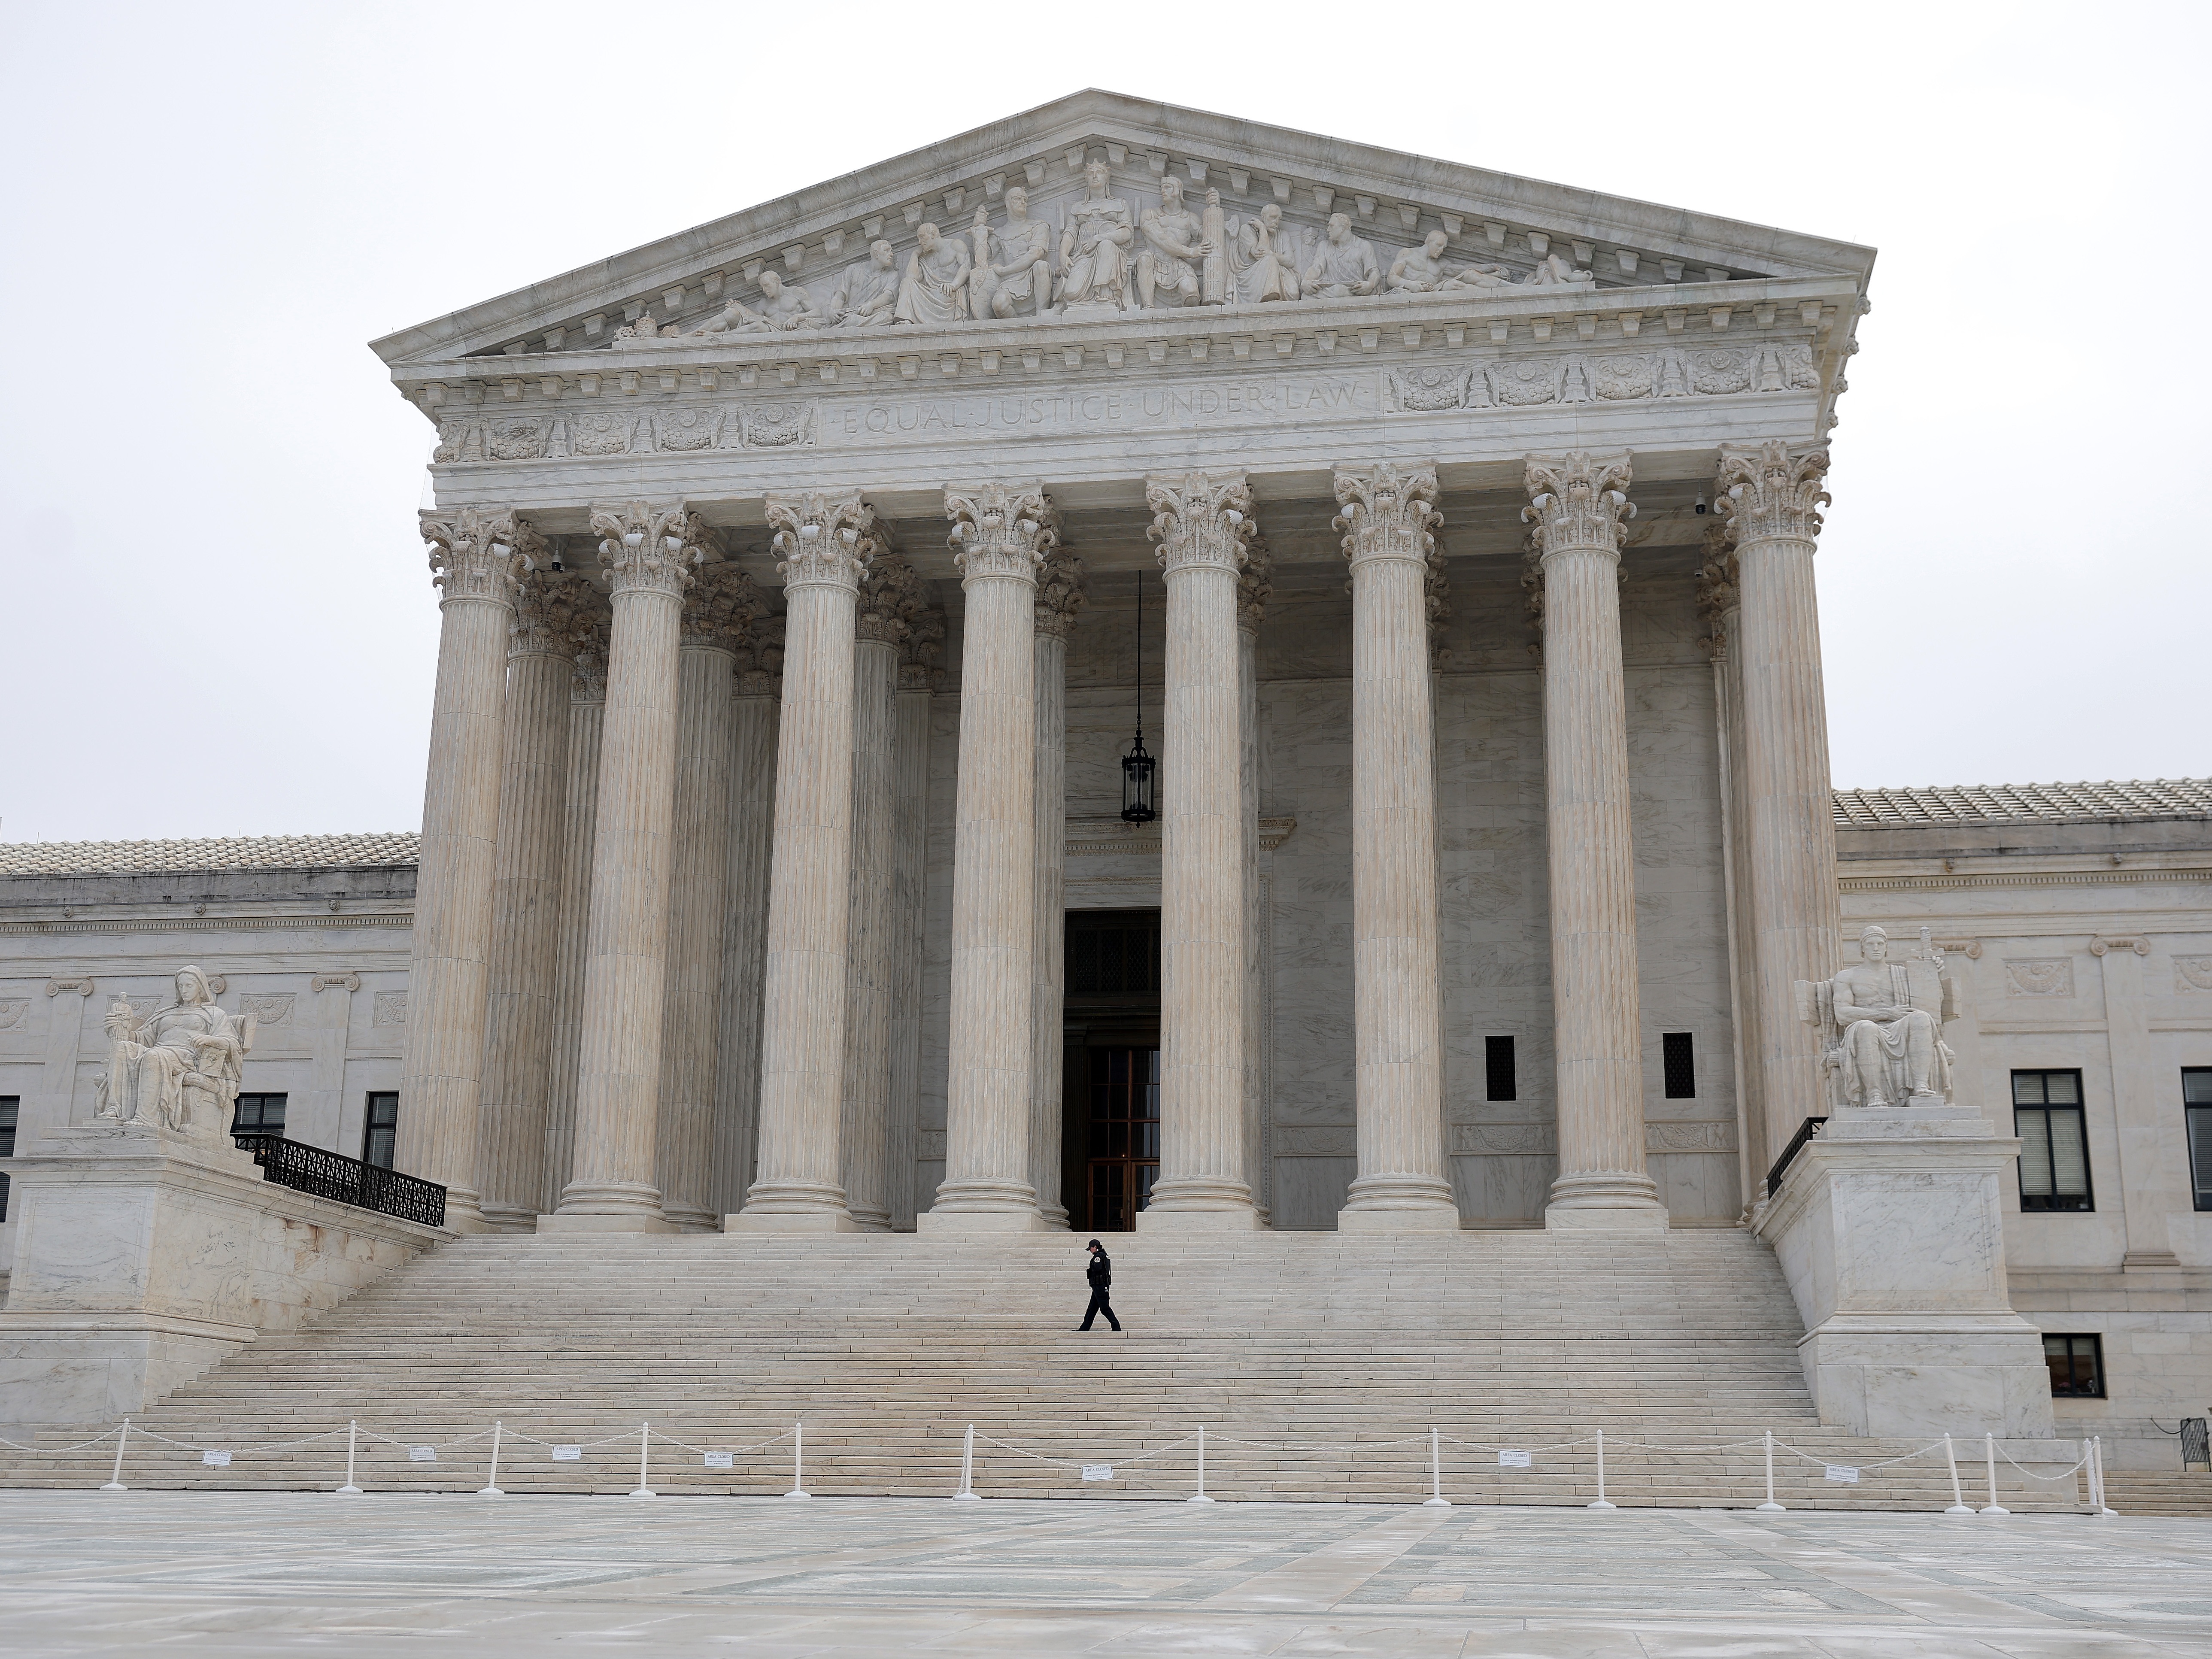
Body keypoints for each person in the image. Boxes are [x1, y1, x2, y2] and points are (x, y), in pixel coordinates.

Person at [1077, 1239, 1121, 1332]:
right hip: (1099, 1286)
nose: (1090, 1251)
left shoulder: (1098, 1257)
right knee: (1092, 1309)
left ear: (1095, 1247)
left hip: (1100, 1286)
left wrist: (1090, 1270)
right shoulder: (1104, 1255)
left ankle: (1116, 1327)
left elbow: (1097, 1268)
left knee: (1105, 1309)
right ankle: (1084, 1329)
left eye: (1091, 1248)